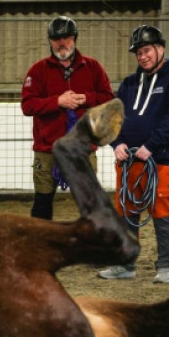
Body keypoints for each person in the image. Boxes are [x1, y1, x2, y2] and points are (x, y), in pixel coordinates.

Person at [98, 25, 169, 283]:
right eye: (138, 52)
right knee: (126, 211)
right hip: (128, 162)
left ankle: (166, 266)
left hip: (160, 160)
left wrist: (150, 146)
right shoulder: (129, 84)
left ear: (160, 49)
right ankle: (124, 264)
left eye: (147, 50)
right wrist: (116, 143)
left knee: (162, 211)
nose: (143, 56)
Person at [22, 16, 114, 220]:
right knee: (42, 203)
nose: (62, 43)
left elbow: (108, 99)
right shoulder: (38, 71)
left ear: (74, 38)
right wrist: (57, 102)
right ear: (50, 41)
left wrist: (87, 98)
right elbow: (27, 105)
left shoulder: (93, 68)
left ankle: (90, 246)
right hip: (47, 151)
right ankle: (41, 247)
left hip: (83, 149)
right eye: (56, 39)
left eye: (67, 38)